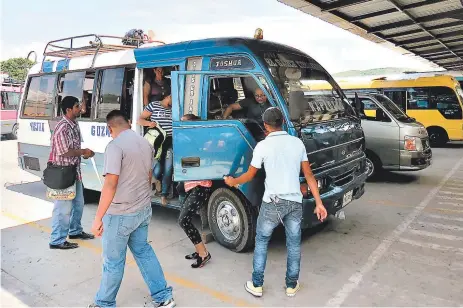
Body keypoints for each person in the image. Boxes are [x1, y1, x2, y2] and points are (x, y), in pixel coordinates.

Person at [224, 107, 327, 298]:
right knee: (294, 244)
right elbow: (309, 175)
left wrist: (233, 182)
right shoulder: (297, 143)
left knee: (262, 240)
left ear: (265, 126)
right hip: (294, 201)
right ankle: (291, 285)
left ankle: (257, 284)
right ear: (282, 123)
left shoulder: (262, 146)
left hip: (272, 202)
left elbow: (250, 174)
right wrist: (319, 203)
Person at [89, 110, 175, 308]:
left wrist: (98, 218)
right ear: (128, 123)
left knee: (113, 261)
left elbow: (110, 184)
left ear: (110, 128)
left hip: (120, 213)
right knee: (144, 251)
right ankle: (163, 297)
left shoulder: (115, 146)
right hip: (143, 209)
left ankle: (104, 303)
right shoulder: (145, 142)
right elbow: (147, 176)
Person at [48, 96, 95, 250]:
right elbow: (64, 152)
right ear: (68, 110)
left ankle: (75, 231)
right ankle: (57, 240)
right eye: (77, 106)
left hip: (74, 172)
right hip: (63, 173)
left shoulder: (74, 124)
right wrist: (83, 151)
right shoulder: (62, 127)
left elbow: (73, 148)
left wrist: (83, 153)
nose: (80, 109)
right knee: (62, 208)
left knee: (78, 204)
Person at [175, 114, 212, 268]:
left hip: (200, 186)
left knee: (184, 220)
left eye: (184, 124)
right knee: (184, 220)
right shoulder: (188, 141)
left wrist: (182, 161)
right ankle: (200, 251)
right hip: (190, 186)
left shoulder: (204, 142)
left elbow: (200, 162)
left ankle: (203, 254)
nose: (181, 127)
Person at [138, 95, 173, 206]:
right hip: (157, 144)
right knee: (157, 170)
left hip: (170, 143)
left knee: (168, 169)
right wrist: (149, 123)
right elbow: (140, 120)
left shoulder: (174, 109)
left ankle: (163, 195)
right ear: (169, 96)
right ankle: (156, 181)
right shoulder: (154, 105)